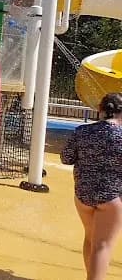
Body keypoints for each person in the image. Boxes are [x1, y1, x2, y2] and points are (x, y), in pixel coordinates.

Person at [61, 92, 122, 280]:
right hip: (111, 198)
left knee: (91, 239)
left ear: (99, 110)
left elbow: (66, 158)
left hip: (83, 195)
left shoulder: (81, 131)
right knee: (102, 246)